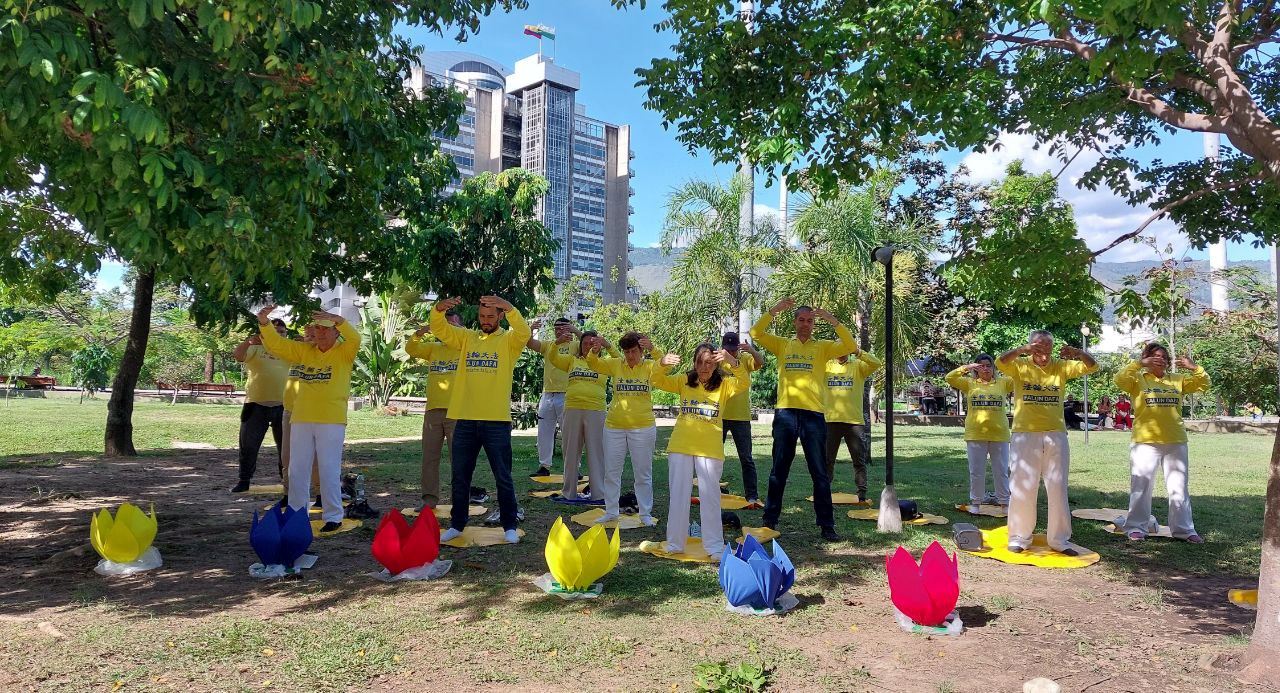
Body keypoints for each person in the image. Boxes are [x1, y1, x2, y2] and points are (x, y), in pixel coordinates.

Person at [750, 298, 857, 541]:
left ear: (814, 324)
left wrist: (832, 320)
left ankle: (827, 526)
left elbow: (850, 345)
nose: (805, 324)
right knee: (779, 470)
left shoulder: (823, 347)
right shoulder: (782, 344)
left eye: (810, 321)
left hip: (813, 416)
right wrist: (774, 311)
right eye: (801, 320)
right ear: (794, 322)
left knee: (819, 472)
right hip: (786, 413)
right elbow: (756, 333)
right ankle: (770, 519)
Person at [429, 295, 530, 544]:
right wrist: (438, 309)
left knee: (503, 476)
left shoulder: (509, 341)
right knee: (460, 475)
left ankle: (509, 525)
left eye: (490, 317)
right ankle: (457, 524)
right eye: (482, 316)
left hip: (496, 421)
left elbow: (524, 332)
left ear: (500, 316)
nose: (486, 321)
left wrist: (509, 306)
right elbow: (440, 329)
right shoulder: (466, 338)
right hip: (465, 419)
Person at [256, 305, 360, 533]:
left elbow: (355, 337)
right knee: (297, 469)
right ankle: (296, 513)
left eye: (326, 329)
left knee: (328, 468)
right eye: (317, 328)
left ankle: (333, 516)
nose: (320, 333)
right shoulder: (304, 351)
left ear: (336, 332)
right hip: (301, 418)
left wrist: (338, 319)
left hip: (331, 419)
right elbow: (277, 344)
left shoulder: (345, 351)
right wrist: (264, 322)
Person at [997, 330, 1098, 554]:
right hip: (1025, 433)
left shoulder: (1061, 366)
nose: (1043, 354)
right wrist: (1022, 350)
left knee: (1057, 486)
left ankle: (1059, 540)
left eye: (1047, 349)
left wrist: (1078, 352)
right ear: (1031, 347)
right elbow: (1000, 362)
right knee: (1023, 485)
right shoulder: (1020, 365)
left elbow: (1092, 366)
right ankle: (1019, 537)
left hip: (1055, 434)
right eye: (1038, 348)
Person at [651, 343, 749, 560]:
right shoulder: (684, 380)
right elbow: (656, 380)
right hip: (681, 446)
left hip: (709, 449)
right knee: (678, 495)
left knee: (710, 497)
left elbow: (744, 381)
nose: (704, 367)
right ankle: (675, 543)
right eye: (700, 362)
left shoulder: (725, 384)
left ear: (716, 364)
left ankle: (714, 547)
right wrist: (661, 363)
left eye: (709, 363)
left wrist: (732, 361)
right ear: (694, 363)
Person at [1114, 343, 1209, 543]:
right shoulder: (1137, 379)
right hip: (1145, 441)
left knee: (1179, 486)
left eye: (1164, 357)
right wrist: (1139, 364)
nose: (1160, 360)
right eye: (1155, 356)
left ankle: (1184, 530)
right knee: (1141, 485)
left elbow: (1203, 384)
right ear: (1147, 358)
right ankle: (1136, 527)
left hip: (1175, 440)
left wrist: (1194, 368)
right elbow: (1119, 380)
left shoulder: (1177, 380)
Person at [584, 332, 679, 525]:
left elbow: (666, 367)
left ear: (641, 350)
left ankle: (645, 514)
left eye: (634, 351)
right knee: (611, 472)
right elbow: (593, 364)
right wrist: (595, 350)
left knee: (643, 473)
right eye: (626, 352)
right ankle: (611, 511)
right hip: (614, 427)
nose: (630, 356)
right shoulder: (616, 364)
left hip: (643, 427)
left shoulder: (650, 366)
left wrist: (653, 348)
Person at [529, 330, 608, 502]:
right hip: (572, 409)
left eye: (592, 343)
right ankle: (569, 493)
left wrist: (607, 344)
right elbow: (553, 357)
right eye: (585, 343)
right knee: (570, 451)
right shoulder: (572, 360)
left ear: (598, 345)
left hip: (596, 410)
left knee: (596, 452)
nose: (588, 346)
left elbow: (620, 359)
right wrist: (557, 343)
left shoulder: (605, 363)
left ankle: (599, 494)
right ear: (580, 345)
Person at [405, 311, 462, 509]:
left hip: (457, 412)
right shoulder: (433, 348)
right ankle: (429, 500)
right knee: (429, 458)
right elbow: (411, 349)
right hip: (432, 412)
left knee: (459, 460)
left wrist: (459, 331)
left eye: (451, 324)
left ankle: (459, 501)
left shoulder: (465, 347)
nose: (445, 329)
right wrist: (422, 331)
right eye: (443, 325)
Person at [945, 354, 1014, 511]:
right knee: (976, 471)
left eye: (988, 365)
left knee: (1001, 471)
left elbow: (1019, 378)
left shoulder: (1003, 383)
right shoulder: (969, 383)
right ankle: (976, 502)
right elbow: (950, 378)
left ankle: (1005, 502)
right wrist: (967, 367)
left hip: (999, 434)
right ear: (976, 369)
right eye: (981, 366)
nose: (985, 369)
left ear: (993, 367)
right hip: (975, 434)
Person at [230, 318, 290, 493]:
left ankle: (286, 481)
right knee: (248, 445)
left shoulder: (291, 349)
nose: (279, 334)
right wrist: (248, 342)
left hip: (284, 406)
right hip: (255, 405)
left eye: (282, 332)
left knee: (285, 448)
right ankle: (244, 480)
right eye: (275, 331)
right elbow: (238, 355)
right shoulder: (256, 347)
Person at [823, 347, 884, 502]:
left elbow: (876, 363)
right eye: (838, 347)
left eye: (844, 347)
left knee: (859, 460)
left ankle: (861, 494)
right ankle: (823, 492)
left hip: (854, 422)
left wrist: (857, 351)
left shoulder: (857, 365)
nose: (840, 351)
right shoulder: (826, 365)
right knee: (827, 460)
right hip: (831, 421)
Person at [719, 332, 765, 507]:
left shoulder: (745, 359)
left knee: (746, 458)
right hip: (720, 415)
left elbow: (761, 362)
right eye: (727, 349)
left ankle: (751, 495)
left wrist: (752, 350)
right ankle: (712, 490)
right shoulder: (718, 359)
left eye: (733, 349)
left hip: (741, 417)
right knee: (714, 457)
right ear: (723, 347)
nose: (730, 352)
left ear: (738, 347)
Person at [533, 317, 580, 477]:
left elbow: (590, 344)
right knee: (544, 432)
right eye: (556, 328)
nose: (559, 330)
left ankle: (574, 468)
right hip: (547, 394)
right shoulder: (548, 345)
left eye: (562, 327)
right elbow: (529, 344)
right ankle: (544, 466)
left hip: (567, 394)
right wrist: (531, 330)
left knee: (569, 434)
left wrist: (575, 330)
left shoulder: (575, 345)